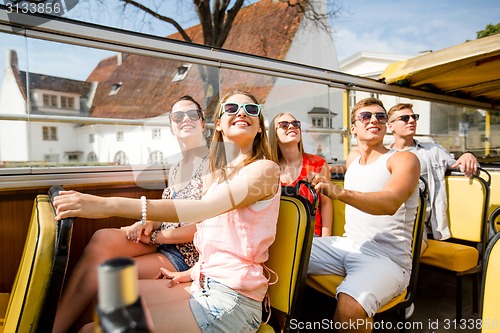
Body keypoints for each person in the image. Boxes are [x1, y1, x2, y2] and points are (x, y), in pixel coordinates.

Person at [53, 90, 281, 333]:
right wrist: (194, 272)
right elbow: (217, 237)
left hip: (231, 299)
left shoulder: (265, 170)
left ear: (259, 127)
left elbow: (200, 211)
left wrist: (107, 205)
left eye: (251, 110)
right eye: (232, 109)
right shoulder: (219, 176)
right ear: (219, 125)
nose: (242, 113)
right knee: (110, 295)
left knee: (93, 330)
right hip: (204, 281)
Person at [52, 95, 209, 333]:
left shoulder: (214, 165)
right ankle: (54, 327)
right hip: (162, 243)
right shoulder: (176, 166)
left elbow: (205, 226)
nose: (185, 119)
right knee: (104, 238)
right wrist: (146, 223)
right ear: (171, 126)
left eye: (192, 114)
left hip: (185, 256)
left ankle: (74, 328)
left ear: (203, 122)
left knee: (109, 277)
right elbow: (169, 206)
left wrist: (155, 238)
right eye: (178, 116)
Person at [306, 97, 420, 333]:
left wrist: (338, 192)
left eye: (380, 116)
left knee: (349, 309)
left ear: (387, 125)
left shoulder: (403, 159)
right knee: (284, 251)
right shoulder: (352, 160)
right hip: (348, 245)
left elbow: (390, 202)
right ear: (353, 128)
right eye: (365, 116)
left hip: (387, 259)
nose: (374, 121)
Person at [387, 103, 479, 248]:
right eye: (405, 118)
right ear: (390, 126)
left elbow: (463, 166)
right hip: (387, 217)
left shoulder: (432, 150)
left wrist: (468, 155)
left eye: (414, 117)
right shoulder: (383, 155)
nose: (411, 121)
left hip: (416, 222)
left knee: (404, 252)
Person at [268, 112, 333, 236]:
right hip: (281, 237)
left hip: (312, 237)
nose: (292, 126)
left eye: (295, 124)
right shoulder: (270, 169)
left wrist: (326, 239)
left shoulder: (317, 164)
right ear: (274, 135)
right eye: (284, 125)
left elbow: (326, 204)